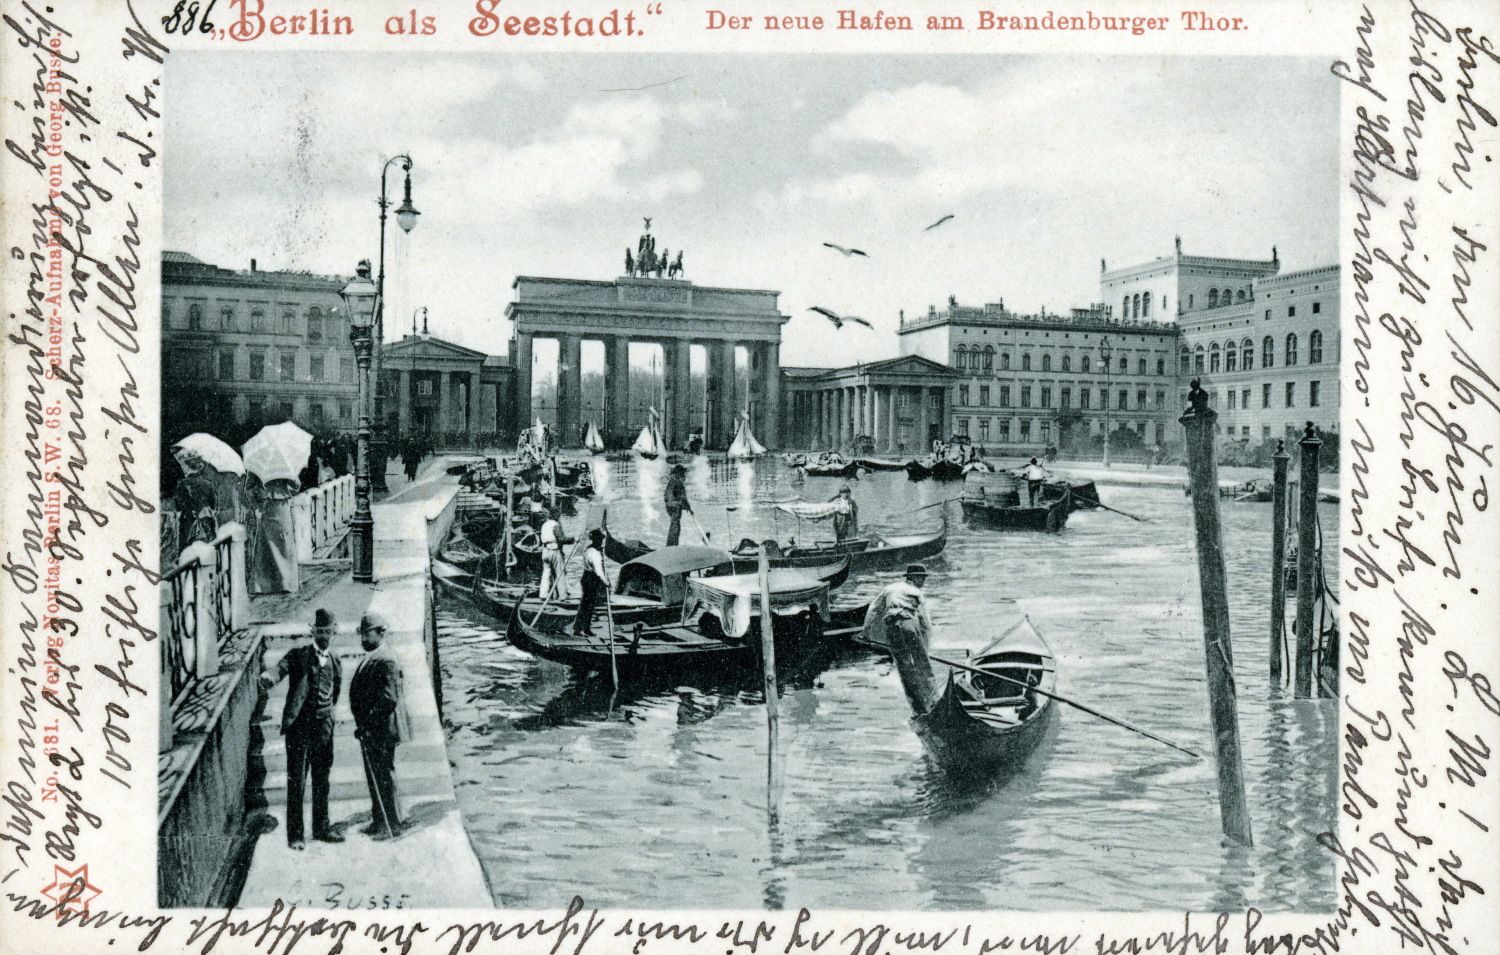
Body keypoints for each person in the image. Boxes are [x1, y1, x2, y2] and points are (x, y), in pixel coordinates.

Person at [260, 608, 344, 850]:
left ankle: (321, 828)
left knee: (322, 780)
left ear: (334, 631)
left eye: (328, 631)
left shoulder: (336, 660)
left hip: (324, 729)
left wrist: (327, 714)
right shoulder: (298, 655)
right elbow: (280, 668)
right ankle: (295, 836)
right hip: (300, 729)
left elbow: (335, 691)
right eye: (320, 631)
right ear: (312, 631)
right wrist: (270, 677)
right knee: (296, 782)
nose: (324, 635)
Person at [350, 612, 410, 840]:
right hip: (373, 728)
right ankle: (379, 820)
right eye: (362, 634)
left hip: (382, 728)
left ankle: (392, 824)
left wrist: (367, 724)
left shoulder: (386, 659)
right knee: (376, 773)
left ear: (380, 633)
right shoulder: (376, 654)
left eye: (367, 634)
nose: (363, 639)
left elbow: (389, 699)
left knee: (384, 774)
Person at [861, 564, 937, 714]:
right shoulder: (916, 592)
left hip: (893, 629)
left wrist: (866, 630)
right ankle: (934, 701)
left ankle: (917, 707)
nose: (923, 581)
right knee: (923, 665)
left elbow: (873, 609)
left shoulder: (890, 588)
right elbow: (925, 622)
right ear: (913, 578)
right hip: (909, 625)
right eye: (921, 578)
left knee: (904, 668)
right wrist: (926, 648)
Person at [573, 528, 608, 636]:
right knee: (588, 605)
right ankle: (580, 629)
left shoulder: (587, 549)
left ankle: (585, 628)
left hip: (586, 577)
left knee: (587, 604)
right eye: (600, 540)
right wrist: (606, 582)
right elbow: (598, 571)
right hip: (592, 579)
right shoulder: (595, 554)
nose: (601, 542)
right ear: (597, 540)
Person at [538, 506, 571, 600]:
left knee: (546, 573)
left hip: (545, 551)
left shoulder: (545, 525)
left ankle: (543, 595)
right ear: (556, 515)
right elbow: (561, 539)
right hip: (554, 551)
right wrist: (573, 539)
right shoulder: (555, 525)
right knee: (560, 573)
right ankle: (563, 596)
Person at [664, 464, 691, 547]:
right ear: (680, 473)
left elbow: (667, 496)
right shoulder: (678, 481)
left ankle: (670, 545)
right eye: (683, 473)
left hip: (669, 506)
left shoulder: (671, 481)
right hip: (675, 507)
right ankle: (672, 546)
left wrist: (684, 505)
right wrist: (687, 506)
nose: (684, 475)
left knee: (673, 525)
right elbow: (682, 497)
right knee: (676, 528)